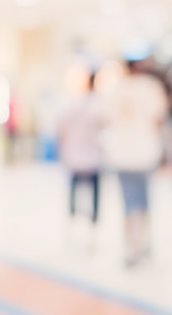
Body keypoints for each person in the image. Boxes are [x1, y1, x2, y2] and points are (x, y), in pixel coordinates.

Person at [100, 59, 169, 268]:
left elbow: (105, 118)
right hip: (145, 153)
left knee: (129, 203)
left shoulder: (115, 89)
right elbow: (160, 117)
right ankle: (144, 243)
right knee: (144, 201)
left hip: (122, 155)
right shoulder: (151, 87)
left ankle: (132, 246)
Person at [58, 73, 102, 238]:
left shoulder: (73, 104)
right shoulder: (96, 105)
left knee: (75, 191)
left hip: (75, 156)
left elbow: (61, 129)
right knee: (92, 192)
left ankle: (73, 222)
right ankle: (92, 225)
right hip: (90, 158)